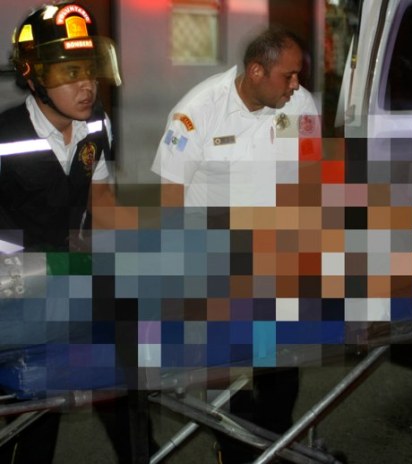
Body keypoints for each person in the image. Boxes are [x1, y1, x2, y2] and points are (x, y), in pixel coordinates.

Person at [151, 27, 319, 463]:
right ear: (256, 71)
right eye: (288, 76)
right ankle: (235, 450)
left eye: (298, 75)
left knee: (280, 364)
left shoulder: (299, 105)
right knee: (223, 373)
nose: (296, 84)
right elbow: (171, 200)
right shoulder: (197, 112)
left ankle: (273, 446)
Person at [0, 2, 143, 462]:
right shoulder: (4, 137)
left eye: (90, 69)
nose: (87, 85)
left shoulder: (96, 123)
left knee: (123, 393)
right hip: (14, 293)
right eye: (70, 72)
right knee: (32, 415)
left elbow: (102, 201)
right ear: (34, 76)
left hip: (70, 280)